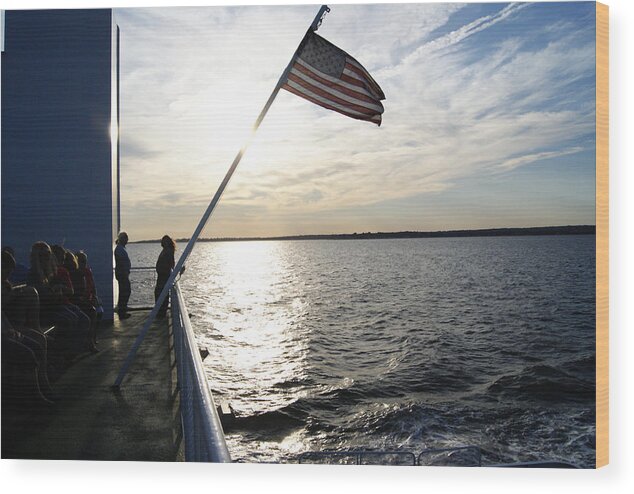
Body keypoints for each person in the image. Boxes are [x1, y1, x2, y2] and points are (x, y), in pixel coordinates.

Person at [155, 235, 176, 319]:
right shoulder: (165, 250)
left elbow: (171, 263)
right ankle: (159, 312)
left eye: (164, 241)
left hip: (164, 276)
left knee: (161, 293)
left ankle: (161, 313)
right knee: (158, 293)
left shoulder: (168, 251)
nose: (162, 242)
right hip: (161, 275)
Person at [114, 232, 132, 320]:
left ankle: (122, 310)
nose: (127, 241)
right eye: (126, 239)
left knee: (124, 292)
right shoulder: (120, 249)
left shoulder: (121, 248)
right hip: (122, 274)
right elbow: (121, 262)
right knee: (125, 292)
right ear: (122, 239)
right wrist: (125, 271)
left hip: (123, 273)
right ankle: (122, 312)